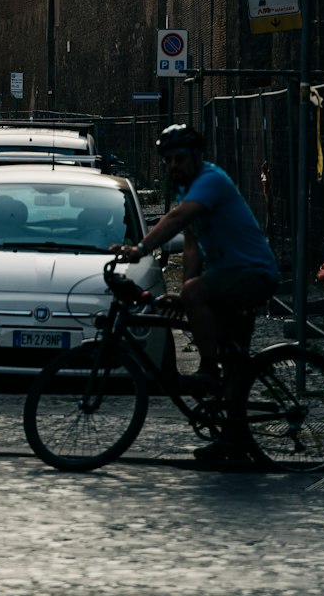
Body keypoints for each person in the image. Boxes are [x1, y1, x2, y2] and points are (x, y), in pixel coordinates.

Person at [114, 123, 280, 465]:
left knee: (216, 351)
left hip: (252, 274)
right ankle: (232, 439)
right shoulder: (189, 188)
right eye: (168, 160)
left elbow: (178, 219)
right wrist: (186, 292)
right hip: (229, 275)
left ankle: (207, 368)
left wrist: (140, 248)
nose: (173, 166)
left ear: (196, 157)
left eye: (179, 159)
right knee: (234, 361)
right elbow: (191, 245)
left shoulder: (211, 181)